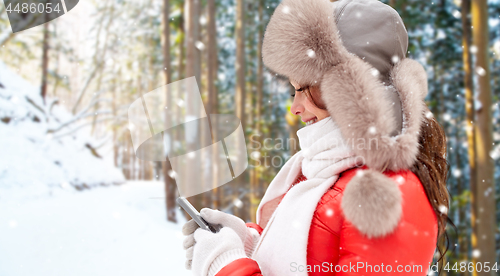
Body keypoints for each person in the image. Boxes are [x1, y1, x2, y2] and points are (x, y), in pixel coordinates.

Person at [182, 0, 451, 275]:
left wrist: (226, 266)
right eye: (293, 91)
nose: (295, 108)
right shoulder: (319, 169)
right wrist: (247, 243)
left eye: (308, 89)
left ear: (352, 88)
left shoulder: (390, 195)